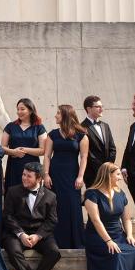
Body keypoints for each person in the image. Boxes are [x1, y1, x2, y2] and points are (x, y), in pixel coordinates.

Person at [82, 162, 135, 270]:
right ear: (108, 175)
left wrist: (129, 235)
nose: (120, 178)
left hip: (118, 234)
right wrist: (108, 241)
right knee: (116, 254)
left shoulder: (120, 194)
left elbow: (126, 219)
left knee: (134, 252)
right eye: (117, 174)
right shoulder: (92, 194)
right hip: (98, 237)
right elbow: (96, 220)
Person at [3, 162, 60, 270]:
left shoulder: (51, 196)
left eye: (29, 176)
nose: (24, 178)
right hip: (17, 233)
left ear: (39, 178)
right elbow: (8, 217)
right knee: (13, 252)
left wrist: (38, 236)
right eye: (23, 174)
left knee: (54, 253)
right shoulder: (12, 191)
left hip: (40, 234)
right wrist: (21, 234)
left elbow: (52, 220)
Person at [43, 104, 88, 249]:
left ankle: (75, 241)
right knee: (56, 206)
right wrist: (46, 175)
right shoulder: (52, 134)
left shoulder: (81, 135)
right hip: (54, 175)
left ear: (66, 115)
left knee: (72, 206)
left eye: (58, 113)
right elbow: (47, 156)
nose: (55, 116)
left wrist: (80, 177)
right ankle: (56, 241)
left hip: (72, 176)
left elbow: (84, 157)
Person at [1, 98, 47, 193]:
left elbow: (43, 150)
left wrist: (24, 149)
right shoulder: (10, 126)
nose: (19, 112)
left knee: (30, 196)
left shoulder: (39, 127)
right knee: (13, 195)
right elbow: (2, 148)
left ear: (30, 110)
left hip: (32, 169)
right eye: (18, 109)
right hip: (13, 167)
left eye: (22, 109)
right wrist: (14, 152)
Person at [81, 95, 116, 188]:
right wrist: (101, 169)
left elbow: (112, 148)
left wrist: (108, 166)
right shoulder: (81, 127)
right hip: (92, 173)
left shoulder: (106, 126)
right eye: (98, 107)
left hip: (108, 172)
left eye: (102, 106)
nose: (101, 109)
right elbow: (87, 152)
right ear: (88, 109)